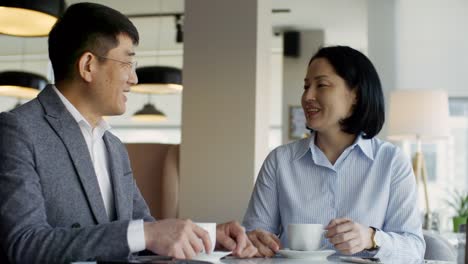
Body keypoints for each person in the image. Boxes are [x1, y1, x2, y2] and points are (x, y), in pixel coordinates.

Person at [0, 3, 256, 264]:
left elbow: (143, 232)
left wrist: (211, 235)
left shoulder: (113, 145)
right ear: (88, 65)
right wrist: (145, 233)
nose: (134, 78)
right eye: (127, 63)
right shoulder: (16, 131)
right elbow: (24, 243)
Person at [242, 46, 425, 259]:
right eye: (306, 86)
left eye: (321, 85)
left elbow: (414, 249)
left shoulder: (392, 162)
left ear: (355, 94)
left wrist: (370, 238)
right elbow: (252, 238)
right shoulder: (280, 161)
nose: (307, 96)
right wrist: (254, 243)